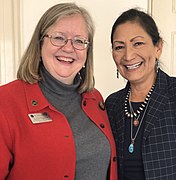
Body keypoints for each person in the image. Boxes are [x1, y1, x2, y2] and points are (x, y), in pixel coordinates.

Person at [0, 3, 117, 179]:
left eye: (79, 41)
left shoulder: (95, 99)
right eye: (59, 38)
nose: (69, 48)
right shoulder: (6, 102)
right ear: (40, 44)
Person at [105, 8, 176, 180]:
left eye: (138, 43)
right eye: (119, 47)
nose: (128, 56)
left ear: (158, 47)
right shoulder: (112, 104)